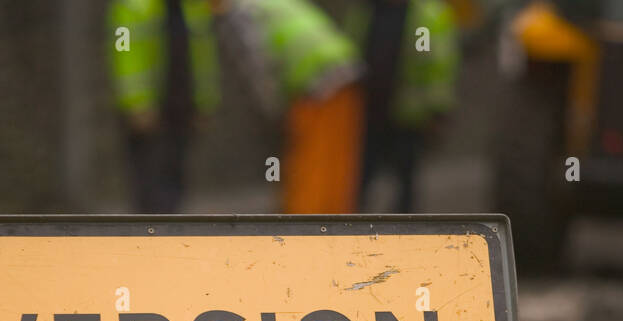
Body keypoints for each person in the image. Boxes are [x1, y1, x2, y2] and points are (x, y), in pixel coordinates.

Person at [210, 0, 366, 213]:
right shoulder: (266, 4)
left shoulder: (238, 14)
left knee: (310, 158)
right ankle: (333, 217)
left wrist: (274, 110)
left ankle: (304, 220)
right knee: (335, 160)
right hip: (344, 71)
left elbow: (257, 68)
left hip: (316, 83)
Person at [108, 0, 222, 212]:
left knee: (176, 171)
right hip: (152, 105)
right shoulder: (134, 7)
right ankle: (150, 233)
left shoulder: (193, 9)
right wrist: (137, 103)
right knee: (149, 176)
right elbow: (126, 55)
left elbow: (204, 58)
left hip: (182, 103)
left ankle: (170, 231)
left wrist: (204, 103)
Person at [346, 0, 459, 212]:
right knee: (360, 177)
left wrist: (437, 109)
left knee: (405, 177)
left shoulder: (429, 15)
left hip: (409, 114)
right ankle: (353, 227)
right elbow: (352, 49)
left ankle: (405, 230)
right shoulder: (366, 10)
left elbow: (440, 65)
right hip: (370, 111)